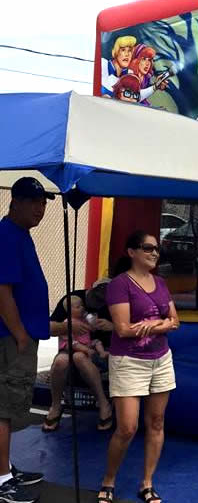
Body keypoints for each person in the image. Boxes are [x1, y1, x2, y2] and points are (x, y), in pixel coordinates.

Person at [98, 231, 180, 503]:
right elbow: (123, 329)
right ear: (132, 252)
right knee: (127, 427)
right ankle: (109, 480)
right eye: (148, 248)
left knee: (156, 422)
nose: (154, 253)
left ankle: (147, 482)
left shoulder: (160, 283)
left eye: (157, 249)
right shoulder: (120, 285)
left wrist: (154, 325)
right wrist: (161, 324)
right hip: (129, 361)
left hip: (161, 359)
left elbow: (175, 321)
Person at [0, 177, 55, 503]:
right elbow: (2, 290)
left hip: (20, 337)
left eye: (43, 203)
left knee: (9, 407)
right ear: (15, 202)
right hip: (10, 339)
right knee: (3, 409)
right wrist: (20, 334)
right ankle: (2, 479)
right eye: (34, 202)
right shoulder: (7, 236)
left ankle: (4, 467)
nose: (40, 208)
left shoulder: (20, 235)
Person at [43, 284, 114, 433]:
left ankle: (103, 403)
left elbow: (132, 327)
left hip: (96, 349)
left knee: (79, 357)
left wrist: (112, 326)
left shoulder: (116, 304)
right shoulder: (72, 300)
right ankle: (55, 405)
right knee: (62, 361)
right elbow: (49, 328)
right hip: (71, 347)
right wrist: (67, 327)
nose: (84, 309)